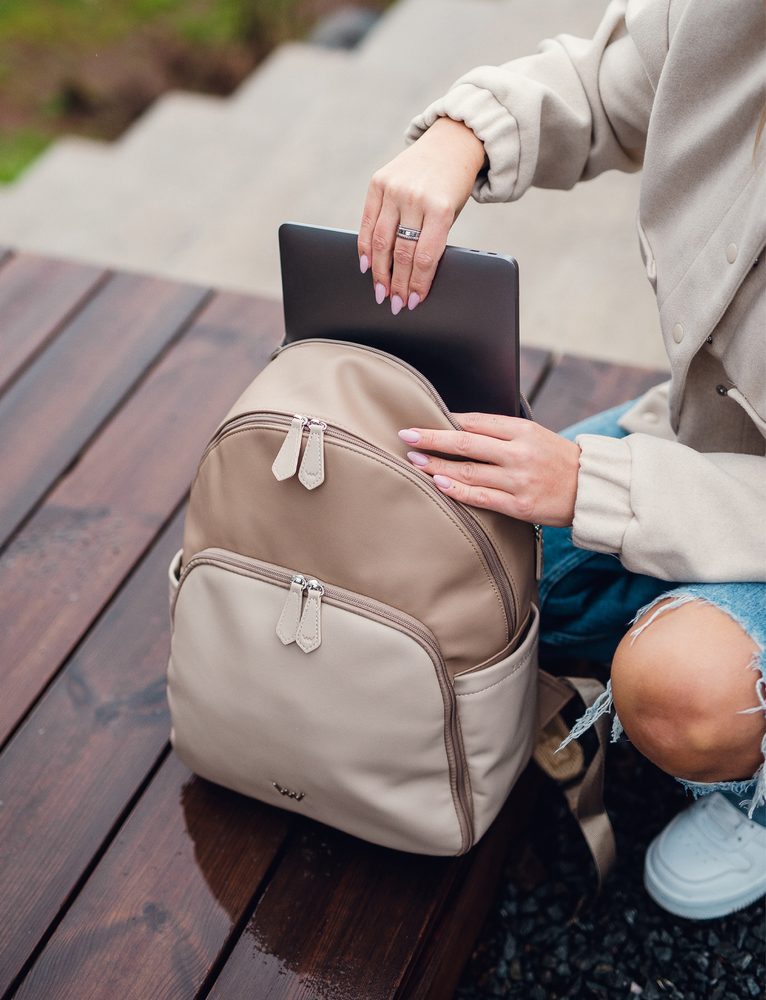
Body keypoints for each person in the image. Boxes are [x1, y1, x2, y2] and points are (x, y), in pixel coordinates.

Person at [357, 0, 766, 920]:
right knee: (463, 540)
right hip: (701, 449)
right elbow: (602, 86)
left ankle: (756, 788)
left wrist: (597, 485)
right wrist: (462, 135)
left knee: (683, 689)